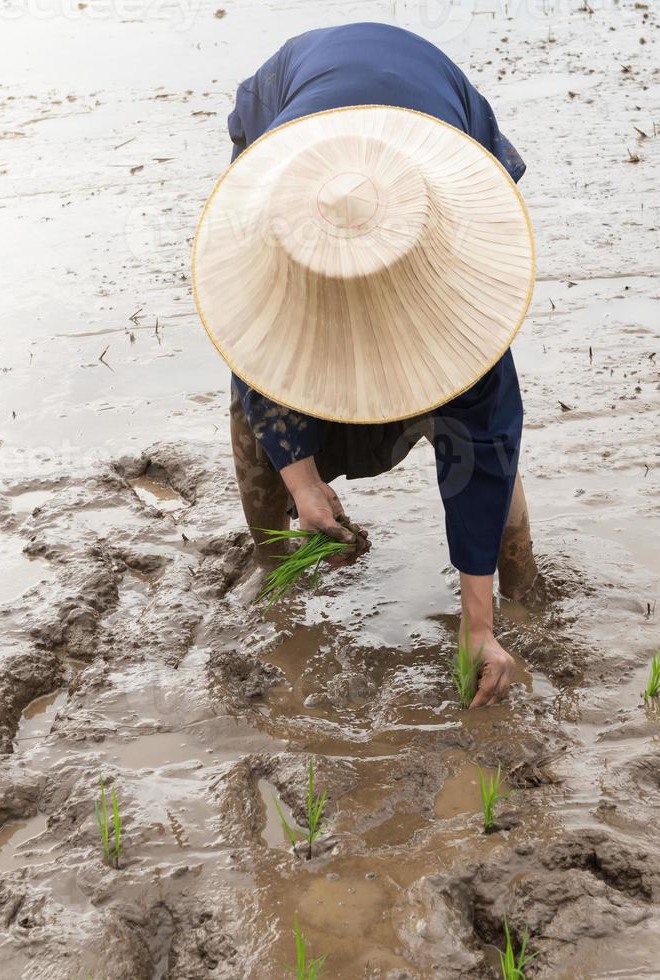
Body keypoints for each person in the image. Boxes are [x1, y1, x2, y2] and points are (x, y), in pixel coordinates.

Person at [195, 23, 537, 708]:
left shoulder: (453, 276)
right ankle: (278, 575)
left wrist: (478, 623)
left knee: (472, 423)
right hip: (290, 120)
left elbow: (486, 442)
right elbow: (254, 349)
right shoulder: (271, 229)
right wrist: (301, 480)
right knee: (265, 396)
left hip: (431, 134)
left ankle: (522, 589)